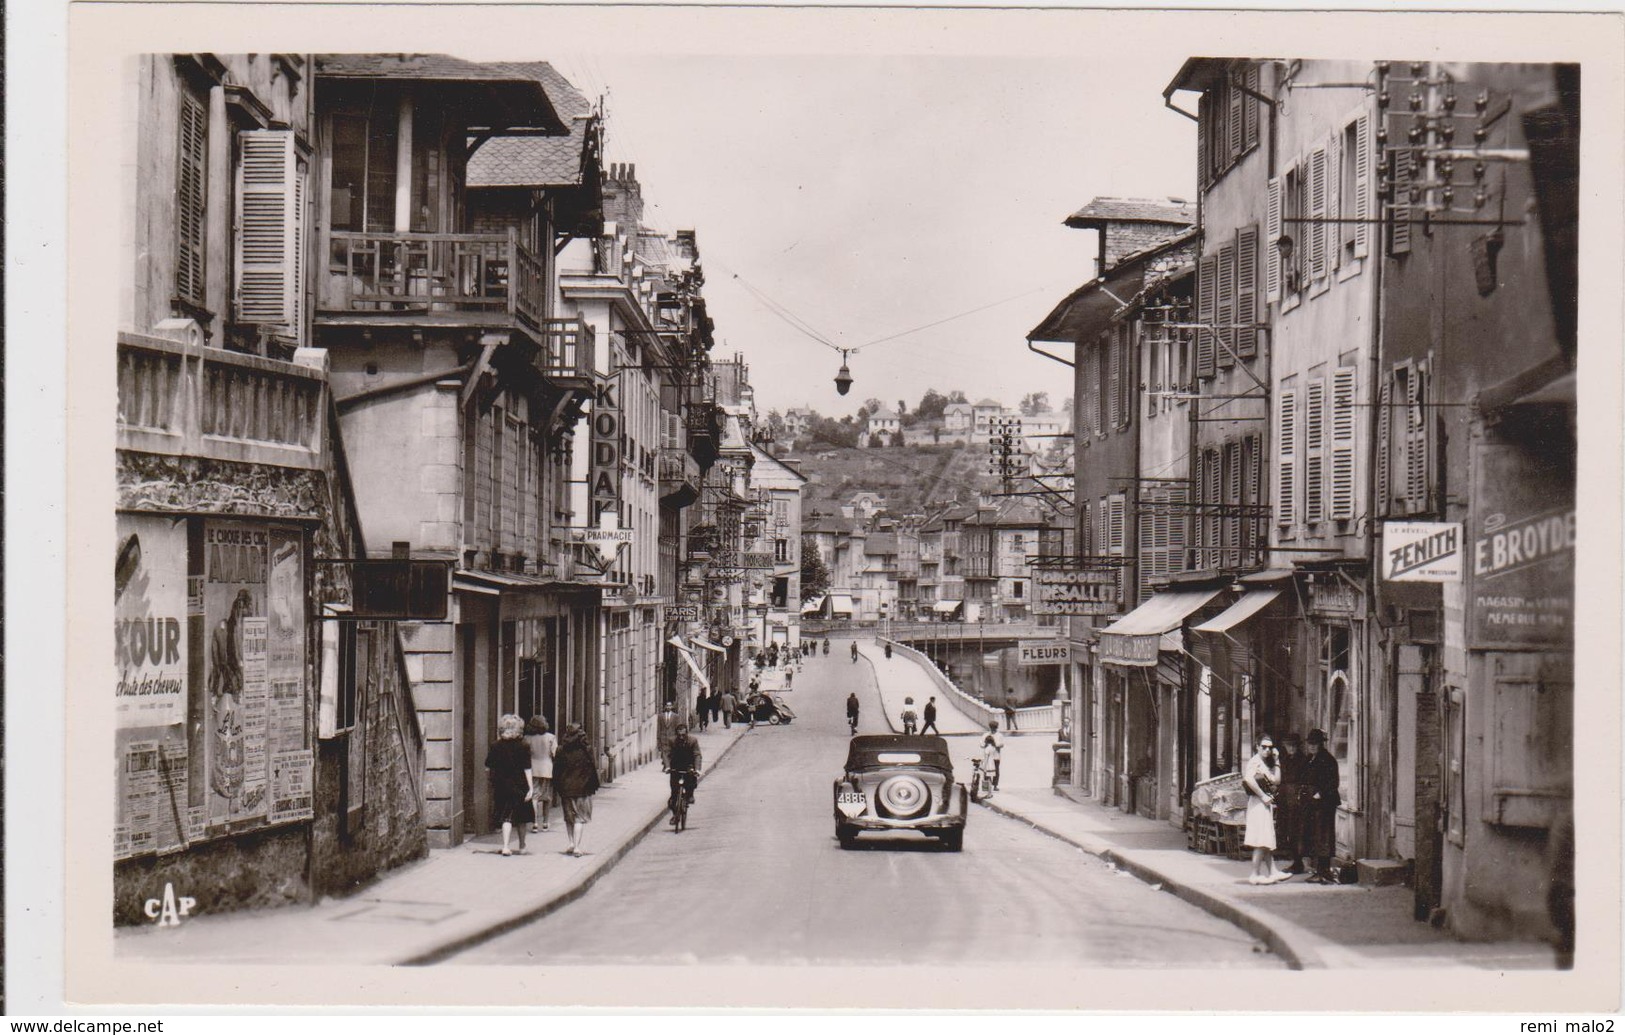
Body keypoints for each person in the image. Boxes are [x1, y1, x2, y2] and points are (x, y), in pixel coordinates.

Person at [1241, 734, 1290, 884]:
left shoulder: (1264, 763)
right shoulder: (1254, 761)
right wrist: (1263, 796)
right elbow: (1248, 779)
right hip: (1257, 804)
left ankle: (1273, 872)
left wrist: (1277, 762)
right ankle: (1254, 874)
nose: (1267, 750)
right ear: (1257, 747)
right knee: (1261, 839)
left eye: (1270, 747)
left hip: (1264, 804)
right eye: (1264, 747)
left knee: (1266, 838)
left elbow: (1276, 780)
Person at [485, 714, 535, 857]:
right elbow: (527, 768)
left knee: (506, 816)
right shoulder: (524, 745)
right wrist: (531, 788)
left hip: (502, 785)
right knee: (522, 818)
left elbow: (488, 765)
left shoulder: (495, 745)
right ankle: (522, 846)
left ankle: (506, 846)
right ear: (519, 728)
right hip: (520, 784)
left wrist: (492, 781)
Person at [551, 724, 600, 856]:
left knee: (569, 817)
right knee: (579, 818)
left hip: (566, 789)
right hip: (583, 789)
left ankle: (571, 843)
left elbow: (556, 771)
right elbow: (592, 769)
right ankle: (577, 847)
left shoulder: (560, 750)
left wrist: (557, 787)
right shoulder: (587, 750)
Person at [1303, 728, 1342, 884]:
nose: (1312, 746)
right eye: (1310, 744)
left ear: (1321, 744)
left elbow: (1334, 783)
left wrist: (1321, 793)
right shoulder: (1310, 759)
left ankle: (1323, 871)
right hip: (1313, 803)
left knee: (1323, 836)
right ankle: (1319, 870)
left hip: (1324, 803)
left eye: (1315, 744)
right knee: (1315, 836)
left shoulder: (1327, 759)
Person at [1273, 731, 1309, 874]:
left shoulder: (1303, 760)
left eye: (1294, 746)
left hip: (1297, 800)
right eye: (1289, 746)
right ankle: (1295, 860)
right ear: (1285, 747)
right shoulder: (1284, 760)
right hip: (1285, 799)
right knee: (1287, 830)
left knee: (1298, 831)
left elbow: (1305, 780)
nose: (1292, 749)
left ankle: (1299, 862)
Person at [523, 716, 557, 834]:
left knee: (534, 797)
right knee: (547, 797)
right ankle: (546, 823)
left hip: (532, 769)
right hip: (547, 768)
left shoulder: (527, 738)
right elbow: (554, 753)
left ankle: (535, 823)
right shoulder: (551, 737)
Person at [667, 723, 703, 823]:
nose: (681, 737)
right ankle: (675, 815)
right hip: (676, 767)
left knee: (691, 780)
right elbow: (667, 754)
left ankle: (690, 795)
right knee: (673, 796)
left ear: (686, 734)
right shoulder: (672, 741)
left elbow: (697, 755)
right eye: (679, 735)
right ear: (676, 735)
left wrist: (697, 769)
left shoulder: (693, 741)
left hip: (688, 766)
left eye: (683, 735)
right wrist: (667, 767)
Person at [657, 701, 679, 770]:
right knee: (664, 752)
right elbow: (659, 728)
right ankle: (666, 766)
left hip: (672, 737)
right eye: (667, 706)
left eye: (670, 706)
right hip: (663, 737)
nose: (668, 707)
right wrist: (658, 737)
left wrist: (677, 737)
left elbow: (677, 727)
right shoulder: (661, 716)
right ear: (665, 707)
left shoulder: (675, 716)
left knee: (670, 752)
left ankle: (666, 765)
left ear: (672, 707)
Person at [983, 721, 1006, 789]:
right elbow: (982, 744)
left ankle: (995, 785)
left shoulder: (999, 735)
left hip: (996, 756)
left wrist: (995, 745)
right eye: (992, 728)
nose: (993, 729)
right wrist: (986, 745)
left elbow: (1002, 744)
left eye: (995, 728)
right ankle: (986, 786)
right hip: (988, 755)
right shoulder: (986, 735)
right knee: (987, 771)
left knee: (996, 771)